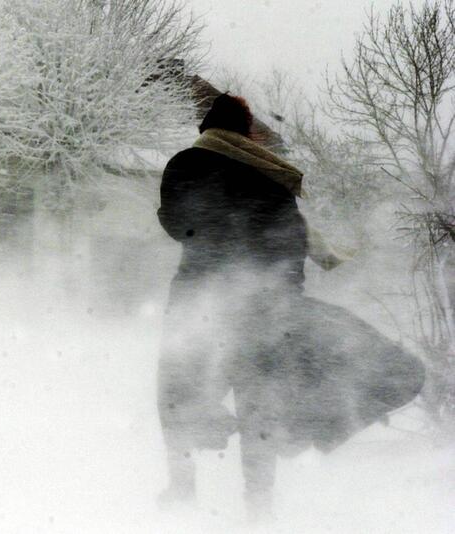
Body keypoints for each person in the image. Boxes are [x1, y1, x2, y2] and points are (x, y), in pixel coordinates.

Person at [155, 94, 424, 519]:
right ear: (246, 132)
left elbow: (179, 225)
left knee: (175, 393)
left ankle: (183, 488)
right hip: (274, 307)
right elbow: (294, 240)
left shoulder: (188, 162)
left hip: (204, 299)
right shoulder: (271, 176)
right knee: (259, 401)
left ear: (207, 127)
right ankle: (259, 507)